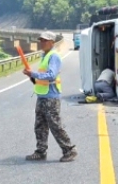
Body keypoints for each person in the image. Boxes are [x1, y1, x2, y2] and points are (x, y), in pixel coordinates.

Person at [23, 31, 77, 162]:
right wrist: (31, 76)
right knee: (39, 125)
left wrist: (34, 74)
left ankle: (69, 150)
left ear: (52, 42)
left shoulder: (54, 56)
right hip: (42, 95)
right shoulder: (44, 56)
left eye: (45, 40)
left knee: (55, 125)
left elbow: (51, 75)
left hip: (51, 97)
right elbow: (41, 78)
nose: (42, 42)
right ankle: (41, 151)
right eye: (41, 40)